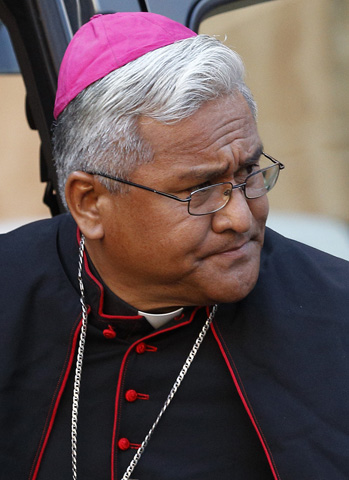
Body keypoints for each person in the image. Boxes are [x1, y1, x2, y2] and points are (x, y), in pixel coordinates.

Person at [1, 11, 349, 480]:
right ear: (89, 202)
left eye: (248, 173)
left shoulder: (335, 312)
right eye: (200, 189)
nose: (240, 217)